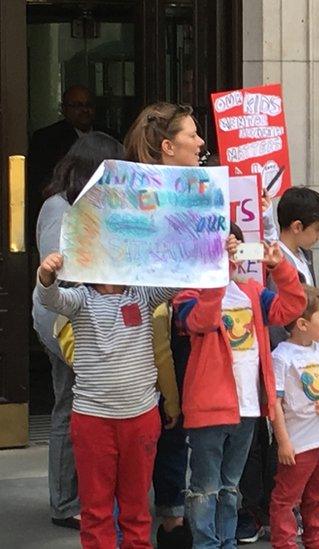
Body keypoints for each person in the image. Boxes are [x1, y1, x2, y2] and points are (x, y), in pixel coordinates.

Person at [36, 251, 180, 548]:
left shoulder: (143, 294)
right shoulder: (80, 298)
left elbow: (180, 277)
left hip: (140, 418)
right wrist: (46, 276)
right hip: (92, 421)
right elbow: (50, 299)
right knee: (96, 510)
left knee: (136, 509)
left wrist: (213, 249)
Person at [174, 229, 306, 548]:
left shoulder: (253, 292)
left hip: (247, 408)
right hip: (208, 409)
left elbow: (292, 308)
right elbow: (202, 321)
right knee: (205, 487)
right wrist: (215, 275)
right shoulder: (188, 296)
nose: (230, 257)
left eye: (233, 249)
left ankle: (227, 542)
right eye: (222, 250)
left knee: (231, 487)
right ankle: (206, 544)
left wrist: (281, 268)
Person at [31, 132, 124, 531]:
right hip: (66, 324)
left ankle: (79, 495)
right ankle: (65, 501)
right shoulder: (58, 208)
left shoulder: (82, 204)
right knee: (68, 406)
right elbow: (62, 271)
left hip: (82, 320)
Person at [124, 101, 206, 548]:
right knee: (159, 426)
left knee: (179, 425)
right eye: (192, 136)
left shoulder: (200, 191)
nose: (200, 143)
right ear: (168, 146)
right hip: (148, 330)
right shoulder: (136, 196)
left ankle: (172, 518)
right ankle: (157, 518)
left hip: (191, 326)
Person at [237, 186, 319, 544]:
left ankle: (288, 512)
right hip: (278, 358)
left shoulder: (301, 256)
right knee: (270, 440)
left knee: (292, 447)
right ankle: (261, 509)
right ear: (297, 226)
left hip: (301, 363)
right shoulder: (278, 258)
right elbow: (278, 304)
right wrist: (265, 214)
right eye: (316, 229)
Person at [269, 285, 319, 549]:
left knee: (318, 493)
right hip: (298, 443)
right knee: (287, 497)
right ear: (302, 323)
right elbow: (274, 403)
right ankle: (284, 542)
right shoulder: (281, 357)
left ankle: (315, 538)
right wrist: (283, 442)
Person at [27, 85, 107, 244]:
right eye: (77, 105)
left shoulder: (108, 136)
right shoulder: (46, 138)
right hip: (64, 213)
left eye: (88, 105)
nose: (84, 110)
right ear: (64, 109)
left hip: (103, 213)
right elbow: (39, 180)